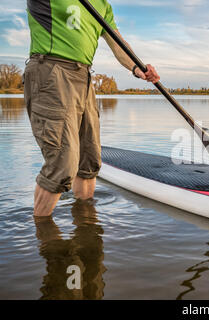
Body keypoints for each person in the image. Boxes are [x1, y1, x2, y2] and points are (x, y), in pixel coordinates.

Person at [24, 0, 160, 216]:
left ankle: (86, 225)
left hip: (84, 76)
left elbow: (117, 43)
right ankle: (44, 238)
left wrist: (137, 67)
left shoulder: (102, 5)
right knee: (62, 161)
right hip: (51, 70)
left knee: (90, 159)